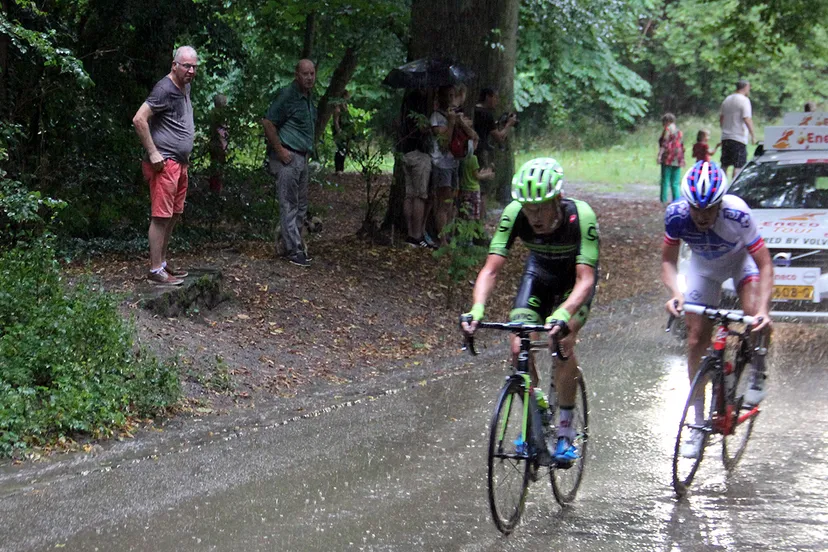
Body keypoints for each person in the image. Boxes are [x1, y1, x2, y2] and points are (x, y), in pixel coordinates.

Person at [461, 158, 599, 467]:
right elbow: (491, 269)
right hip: (539, 275)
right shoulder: (515, 214)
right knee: (517, 344)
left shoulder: (581, 217)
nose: (533, 216)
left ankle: (566, 431)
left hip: (574, 282)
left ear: (557, 199)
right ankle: (535, 410)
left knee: (561, 342)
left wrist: (564, 314)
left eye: (540, 208)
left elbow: (585, 280)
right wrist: (477, 308)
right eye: (527, 209)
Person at [661, 160, 772, 459]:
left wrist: (763, 310)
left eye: (709, 209)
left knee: (753, 314)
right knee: (696, 340)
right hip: (704, 269)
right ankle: (698, 425)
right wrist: (676, 294)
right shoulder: (676, 215)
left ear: (720, 203)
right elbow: (668, 261)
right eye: (696, 209)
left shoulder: (738, 213)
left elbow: (764, 263)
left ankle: (758, 368)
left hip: (740, 264)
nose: (701, 216)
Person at [132, 45, 198, 286]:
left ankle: (162, 262)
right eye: (186, 66)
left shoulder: (185, 87)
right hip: (165, 163)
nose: (191, 71)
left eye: (194, 67)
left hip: (180, 164)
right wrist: (153, 153)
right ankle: (154, 269)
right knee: (161, 216)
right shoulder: (164, 89)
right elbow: (139, 119)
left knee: (174, 214)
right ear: (174, 65)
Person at [262, 59, 317, 267]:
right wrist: (280, 151)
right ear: (297, 75)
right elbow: (268, 122)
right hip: (289, 156)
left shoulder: (308, 97)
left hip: (302, 157)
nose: (309, 77)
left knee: (301, 204)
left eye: (312, 73)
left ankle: (294, 244)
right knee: (289, 204)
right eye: (305, 74)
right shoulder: (288, 95)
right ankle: (293, 249)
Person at [474, 87, 517, 222]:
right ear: (488, 97)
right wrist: (508, 125)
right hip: (481, 153)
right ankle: (481, 222)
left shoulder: (474, 110)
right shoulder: (486, 114)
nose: (497, 101)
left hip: (471, 153)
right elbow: (499, 137)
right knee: (483, 189)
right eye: (495, 97)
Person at [399, 89, 434, 248]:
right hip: (419, 154)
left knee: (409, 194)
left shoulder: (405, 107)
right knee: (419, 195)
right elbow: (423, 130)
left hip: (406, 152)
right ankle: (416, 235)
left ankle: (409, 233)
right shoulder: (420, 108)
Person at [719, 80, 755, 180]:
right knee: (738, 165)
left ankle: (722, 185)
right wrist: (752, 134)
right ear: (745, 87)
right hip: (738, 137)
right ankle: (734, 186)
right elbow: (747, 118)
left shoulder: (727, 99)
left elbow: (721, 118)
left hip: (726, 137)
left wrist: (724, 128)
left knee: (724, 165)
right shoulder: (744, 100)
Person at [458, 136, 494, 227]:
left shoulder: (462, 159)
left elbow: (473, 173)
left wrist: (484, 172)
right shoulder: (473, 158)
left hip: (464, 189)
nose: (477, 144)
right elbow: (477, 176)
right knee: (474, 214)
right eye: (475, 142)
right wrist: (488, 175)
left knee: (465, 212)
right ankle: (473, 231)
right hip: (473, 189)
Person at [657, 113, 685, 204]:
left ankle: (663, 199)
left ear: (667, 121)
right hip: (678, 157)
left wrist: (659, 155)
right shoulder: (679, 131)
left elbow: (664, 144)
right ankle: (677, 200)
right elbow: (681, 145)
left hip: (668, 157)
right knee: (675, 182)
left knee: (665, 180)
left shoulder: (667, 130)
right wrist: (683, 158)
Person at [208, 94, 229, 193]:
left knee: (214, 168)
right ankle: (217, 191)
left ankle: (214, 189)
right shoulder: (220, 116)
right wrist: (224, 146)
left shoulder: (213, 114)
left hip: (213, 144)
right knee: (218, 169)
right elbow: (220, 133)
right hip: (218, 145)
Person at [332, 90, 352, 173]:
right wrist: (338, 131)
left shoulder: (345, 106)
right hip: (339, 130)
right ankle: (338, 169)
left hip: (345, 130)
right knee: (340, 149)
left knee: (344, 149)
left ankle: (341, 168)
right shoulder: (337, 108)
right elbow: (335, 121)